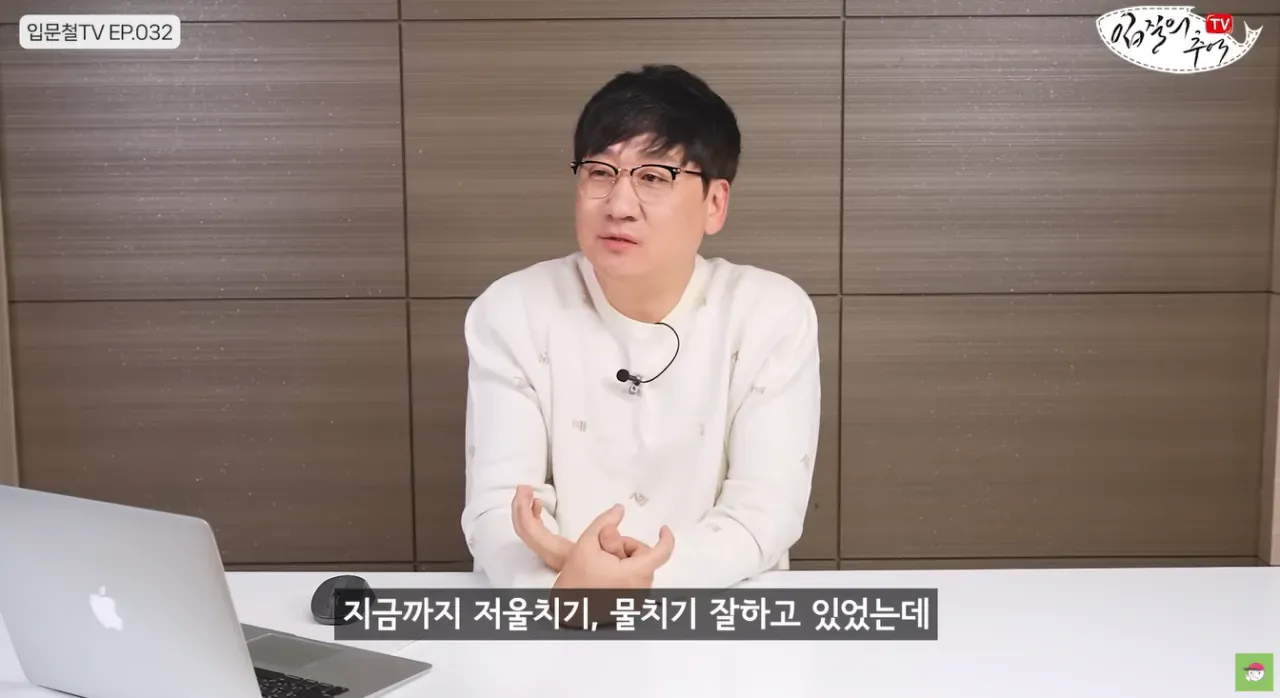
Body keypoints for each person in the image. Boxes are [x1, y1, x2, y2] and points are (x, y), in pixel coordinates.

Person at [459, 64, 821, 590]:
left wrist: (636, 580)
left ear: (715, 203)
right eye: (599, 173)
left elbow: (763, 513)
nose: (619, 205)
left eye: (653, 177)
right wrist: (561, 589)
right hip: (553, 612)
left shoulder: (769, 314)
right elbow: (498, 510)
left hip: (719, 613)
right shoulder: (513, 310)